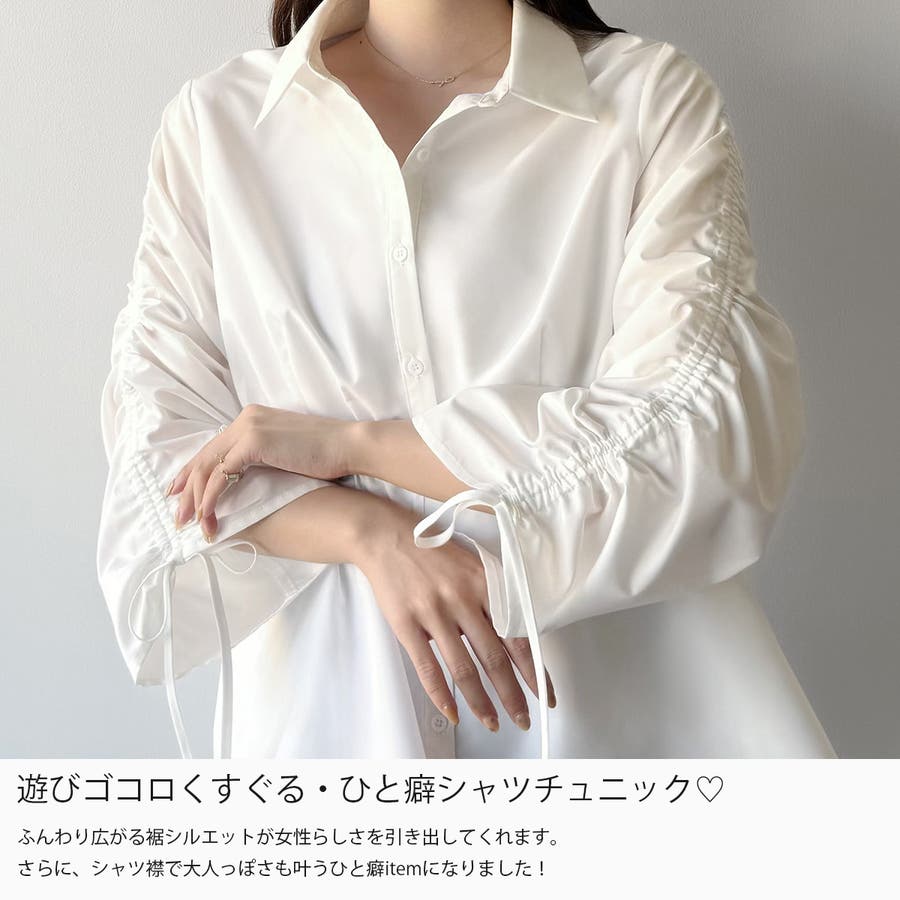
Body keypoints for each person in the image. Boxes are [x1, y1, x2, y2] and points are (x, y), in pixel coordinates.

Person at [96, 0, 837, 760]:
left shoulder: (646, 101)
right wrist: (369, 534)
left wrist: (355, 447)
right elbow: (161, 462)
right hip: (333, 733)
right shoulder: (217, 125)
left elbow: (701, 429)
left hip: (623, 725)